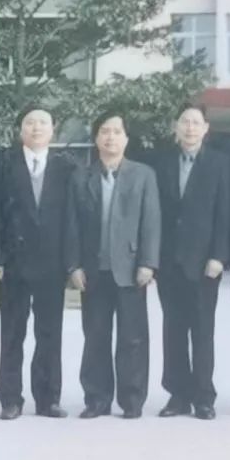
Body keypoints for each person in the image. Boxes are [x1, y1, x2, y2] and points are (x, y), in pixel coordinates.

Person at [68, 111, 162, 420]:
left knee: (133, 338)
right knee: (95, 336)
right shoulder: (81, 176)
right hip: (93, 270)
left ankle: (132, 400)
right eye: (105, 131)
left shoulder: (143, 175)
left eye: (117, 131)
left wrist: (148, 262)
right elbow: (72, 225)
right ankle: (97, 399)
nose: (111, 137)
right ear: (96, 138)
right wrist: (74, 266)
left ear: (126, 138)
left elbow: (151, 222)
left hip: (132, 270)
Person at [0, 106, 76, 421]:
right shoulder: (3, 164)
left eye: (43, 123)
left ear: (53, 129)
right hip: (14, 263)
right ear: (20, 129)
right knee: (12, 333)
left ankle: (48, 398)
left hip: (52, 263)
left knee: (49, 333)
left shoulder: (66, 168)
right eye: (30, 122)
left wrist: (71, 263)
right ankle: (10, 399)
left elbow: (72, 219)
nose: (36, 128)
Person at [155, 103, 230, 420]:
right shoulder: (161, 162)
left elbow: (225, 212)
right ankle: (177, 395)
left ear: (206, 128)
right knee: (172, 330)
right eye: (184, 122)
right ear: (176, 126)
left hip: (203, 263)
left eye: (196, 122)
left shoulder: (219, 163)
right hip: (168, 261)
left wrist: (219, 256)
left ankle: (204, 397)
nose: (189, 128)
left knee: (202, 330)